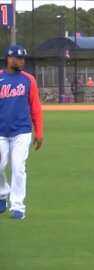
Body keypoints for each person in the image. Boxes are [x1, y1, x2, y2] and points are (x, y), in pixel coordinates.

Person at [0, 45, 43, 219]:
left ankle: (18, 206)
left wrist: (38, 131)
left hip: (22, 131)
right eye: (18, 58)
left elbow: (35, 107)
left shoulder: (28, 80)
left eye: (23, 58)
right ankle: (2, 193)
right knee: (0, 166)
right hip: (1, 131)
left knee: (18, 167)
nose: (22, 61)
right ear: (8, 59)